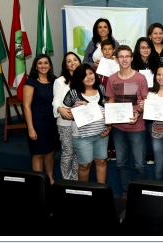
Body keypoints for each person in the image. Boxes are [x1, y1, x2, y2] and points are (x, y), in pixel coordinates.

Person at [105, 45, 148, 199]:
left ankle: (140, 193)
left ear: (131, 58)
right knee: (121, 163)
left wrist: (138, 112)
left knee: (139, 164)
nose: (124, 59)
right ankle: (125, 192)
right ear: (117, 59)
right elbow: (110, 100)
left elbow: (144, 101)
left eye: (127, 56)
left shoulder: (140, 78)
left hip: (137, 127)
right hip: (118, 128)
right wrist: (108, 120)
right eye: (121, 56)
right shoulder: (112, 79)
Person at [62, 64, 111, 183]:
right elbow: (65, 112)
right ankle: (84, 193)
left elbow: (107, 108)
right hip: (82, 137)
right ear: (79, 78)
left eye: (91, 73)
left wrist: (109, 126)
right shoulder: (73, 93)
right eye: (85, 75)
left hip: (101, 134)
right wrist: (75, 109)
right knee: (85, 165)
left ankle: (101, 191)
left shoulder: (101, 88)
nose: (89, 77)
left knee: (101, 161)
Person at [23, 54, 59, 184]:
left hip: (52, 123)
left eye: (46, 63)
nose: (43, 66)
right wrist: (31, 128)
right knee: (38, 154)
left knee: (50, 152)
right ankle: (38, 183)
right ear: (36, 66)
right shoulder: (31, 82)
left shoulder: (55, 81)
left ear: (50, 65)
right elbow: (26, 107)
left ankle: (49, 179)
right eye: (40, 63)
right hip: (37, 122)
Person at [132, 37, 161, 164]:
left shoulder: (157, 63)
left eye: (148, 47)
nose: (145, 50)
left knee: (150, 127)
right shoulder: (133, 63)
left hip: (152, 98)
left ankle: (150, 153)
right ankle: (138, 154)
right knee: (138, 128)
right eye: (142, 47)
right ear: (138, 49)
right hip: (136, 98)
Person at [53, 52, 81, 180]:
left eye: (75, 59)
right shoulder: (60, 81)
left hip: (82, 122)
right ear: (66, 65)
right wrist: (60, 109)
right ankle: (66, 181)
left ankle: (75, 179)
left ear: (79, 62)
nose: (72, 62)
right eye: (69, 61)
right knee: (68, 152)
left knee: (77, 153)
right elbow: (56, 101)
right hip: (65, 121)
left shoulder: (86, 78)